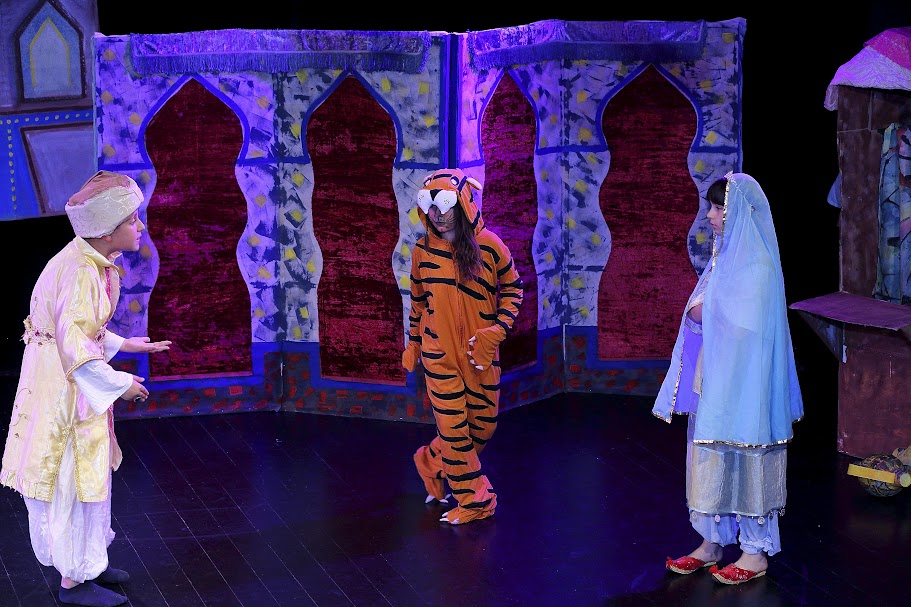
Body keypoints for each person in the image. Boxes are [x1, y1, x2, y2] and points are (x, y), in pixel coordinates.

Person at [1, 171, 172, 607]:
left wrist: (124, 344)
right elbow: (73, 346)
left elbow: (78, 328)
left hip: (67, 375)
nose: (140, 227)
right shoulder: (80, 271)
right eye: (132, 220)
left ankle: (89, 561)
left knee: (88, 471)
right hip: (63, 385)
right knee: (73, 476)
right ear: (107, 231)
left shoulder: (87, 260)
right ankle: (73, 580)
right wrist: (120, 384)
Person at [653, 172, 804, 585]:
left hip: (746, 390)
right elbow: (705, 311)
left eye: (719, 208)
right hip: (717, 382)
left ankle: (754, 553)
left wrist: (708, 310)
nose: (710, 216)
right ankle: (711, 543)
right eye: (711, 207)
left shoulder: (757, 267)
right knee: (709, 459)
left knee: (748, 461)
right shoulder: (724, 261)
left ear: (741, 213)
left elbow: (743, 325)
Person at [403, 168, 524, 525]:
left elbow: (514, 290)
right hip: (438, 355)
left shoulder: (490, 245)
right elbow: (419, 302)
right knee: (455, 431)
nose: (437, 215)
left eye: (444, 205)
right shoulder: (422, 251)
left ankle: (431, 461)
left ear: (463, 204)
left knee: (482, 427)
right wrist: (414, 343)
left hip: (480, 355)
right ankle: (474, 500)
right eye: (430, 207)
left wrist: (496, 332)